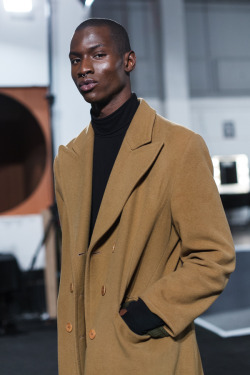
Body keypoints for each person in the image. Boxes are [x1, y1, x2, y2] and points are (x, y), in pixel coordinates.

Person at [54, 18, 235, 375]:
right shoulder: (68, 160)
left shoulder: (179, 147)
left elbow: (214, 256)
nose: (84, 68)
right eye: (75, 60)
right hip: (82, 353)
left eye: (98, 54)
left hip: (146, 350)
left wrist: (149, 313)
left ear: (128, 61)